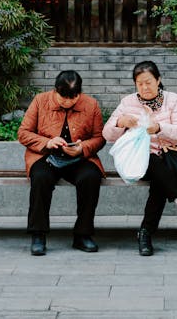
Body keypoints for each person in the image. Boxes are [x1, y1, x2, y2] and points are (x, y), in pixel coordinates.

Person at [103, 60, 177, 256]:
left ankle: (145, 233)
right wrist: (120, 122)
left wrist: (159, 128)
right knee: (153, 161)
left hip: (170, 159)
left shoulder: (173, 100)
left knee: (159, 181)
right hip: (138, 162)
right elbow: (107, 134)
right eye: (140, 84)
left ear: (158, 80)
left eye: (148, 82)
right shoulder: (128, 102)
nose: (144, 87)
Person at [18, 70, 105, 256]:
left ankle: (83, 234)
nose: (67, 101)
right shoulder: (40, 101)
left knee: (91, 177)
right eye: (63, 96)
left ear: (79, 93)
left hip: (78, 158)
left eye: (73, 97)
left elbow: (99, 138)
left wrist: (83, 148)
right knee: (40, 178)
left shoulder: (91, 105)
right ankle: (38, 234)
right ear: (55, 90)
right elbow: (23, 133)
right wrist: (47, 142)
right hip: (45, 156)